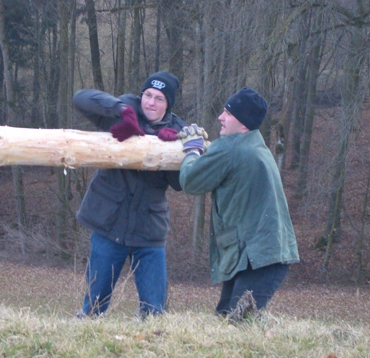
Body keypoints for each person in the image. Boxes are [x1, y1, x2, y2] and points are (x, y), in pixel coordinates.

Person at [72, 71, 186, 318]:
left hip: (149, 231)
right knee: (93, 307)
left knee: (155, 311)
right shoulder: (125, 108)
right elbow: (80, 99)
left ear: (168, 105)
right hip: (108, 224)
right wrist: (120, 109)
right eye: (147, 95)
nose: (150, 103)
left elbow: (181, 184)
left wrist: (173, 151)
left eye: (159, 99)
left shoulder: (179, 129)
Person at [178, 87, 300, 318]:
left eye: (228, 113)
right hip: (260, 256)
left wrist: (192, 149)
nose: (220, 117)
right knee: (226, 318)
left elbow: (190, 181)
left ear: (243, 124)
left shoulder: (232, 148)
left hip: (259, 259)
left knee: (238, 326)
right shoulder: (256, 146)